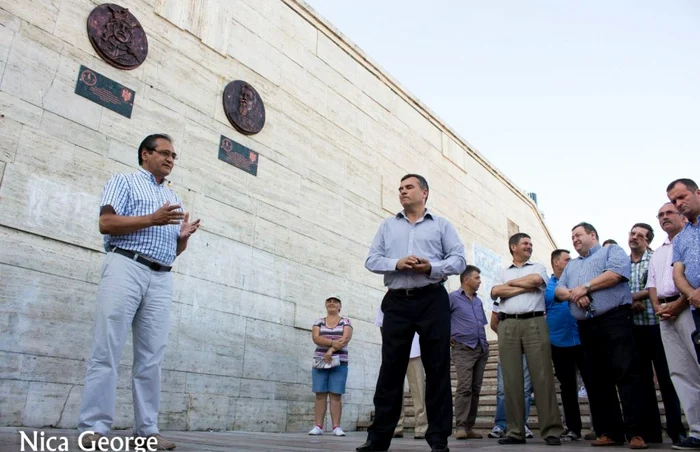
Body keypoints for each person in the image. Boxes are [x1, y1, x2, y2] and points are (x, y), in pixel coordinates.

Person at [77, 134, 200, 451]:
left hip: (161, 276)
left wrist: (182, 238)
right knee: (107, 348)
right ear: (145, 154)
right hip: (125, 267)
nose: (171, 159)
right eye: (165, 153)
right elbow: (106, 223)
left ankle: (147, 431)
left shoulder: (174, 198)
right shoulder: (125, 181)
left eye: (175, 155)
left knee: (152, 357)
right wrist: (152, 218)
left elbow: (172, 252)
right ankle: (94, 427)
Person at [359, 174, 466, 452]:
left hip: (432, 300)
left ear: (424, 192)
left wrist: (431, 267)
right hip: (396, 301)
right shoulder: (387, 225)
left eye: (409, 187)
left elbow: (458, 260)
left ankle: (439, 438)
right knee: (391, 369)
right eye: (400, 189)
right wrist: (398, 262)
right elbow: (371, 260)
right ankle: (378, 438)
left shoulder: (442, 225)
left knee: (437, 368)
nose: (402, 192)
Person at [555, 222, 648, 449]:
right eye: (572, 237)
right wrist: (575, 294)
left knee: (626, 374)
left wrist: (585, 287)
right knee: (597, 379)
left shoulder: (610, 251)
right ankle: (610, 431)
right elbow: (559, 291)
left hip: (615, 320)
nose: (574, 239)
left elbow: (614, 275)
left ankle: (636, 432)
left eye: (578, 235)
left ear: (592, 234)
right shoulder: (572, 266)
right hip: (587, 326)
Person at [490, 233, 563, 446]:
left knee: (542, 377)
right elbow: (495, 291)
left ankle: (551, 430)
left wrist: (510, 285)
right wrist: (522, 286)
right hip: (507, 324)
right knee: (511, 379)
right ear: (513, 247)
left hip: (535, 323)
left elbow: (536, 281)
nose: (529, 246)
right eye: (525, 243)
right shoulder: (500, 270)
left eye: (531, 244)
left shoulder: (538, 267)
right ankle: (514, 431)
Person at [648, 202, 699, 450]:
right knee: (680, 373)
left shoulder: (691, 240)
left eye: (669, 212)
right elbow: (652, 285)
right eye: (660, 215)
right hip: (665, 315)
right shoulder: (657, 253)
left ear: (681, 216)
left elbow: (690, 277)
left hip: (689, 307)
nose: (664, 217)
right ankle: (697, 432)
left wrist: (679, 303)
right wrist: (658, 307)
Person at [629, 222, 685, 444]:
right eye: (632, 233)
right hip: (634, 329)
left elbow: (656, 284)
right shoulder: (622, 263)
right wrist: (629, 301)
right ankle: (651, 432)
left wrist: (633, 297)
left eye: (640, 236)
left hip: (658, 324)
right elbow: (618, 288)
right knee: (642, 382)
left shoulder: (656, 258)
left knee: (667, 379)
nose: (634, 238)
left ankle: (676, 430)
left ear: (648, 240)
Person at [667, 178, 700, 450]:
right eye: (675, 200)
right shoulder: (683, 237)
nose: (679, 204)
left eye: (681, 197)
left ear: (697, 193)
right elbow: (678, 272)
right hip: (696, 307)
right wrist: (692, 293)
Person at [544, 249, 588, 441]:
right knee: (567, 387)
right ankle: (573, 428)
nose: (570, 261)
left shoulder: (578, 280)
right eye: (566, 259)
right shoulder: (547, 286)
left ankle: (602, 428)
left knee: (593, 383)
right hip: (558, 343)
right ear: (556, 263)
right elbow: (548, 303)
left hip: (582, 339)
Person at [375, 309, 428, 440]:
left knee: (419, 391)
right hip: (395, 353)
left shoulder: (417, 301)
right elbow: (382, 327)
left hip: (415, 352)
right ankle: (396, 426)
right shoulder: (386, 304)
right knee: (394, 391)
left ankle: (421, 427)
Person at [450, 265, 488, 440]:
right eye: (477, 277)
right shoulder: (452, 298)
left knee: (475, 388)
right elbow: (441, 319)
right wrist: (448, 337)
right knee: (464, 387)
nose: (480, 280)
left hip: (481, 348)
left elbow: (482, 324)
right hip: (463, 348)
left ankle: (469, 427)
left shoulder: (479, 301)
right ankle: (460, 426)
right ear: (466, 280)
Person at [488, 304, 534, 440]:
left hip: (526, 350)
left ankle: (522, 424)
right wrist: (509, 340)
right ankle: (501, 425)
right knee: (502, 389)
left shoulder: (530, 298)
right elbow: (493, 323)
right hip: (507, 349)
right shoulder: (500, 299)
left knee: (525, 389)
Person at [309, 296, 353, 437]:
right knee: (320, 394)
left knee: (336, 394)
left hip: (340, 361)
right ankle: (318, 426)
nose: (332, 303)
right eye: (329, 301)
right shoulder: (319, 321)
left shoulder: (345, 321)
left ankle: (336, 427)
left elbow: (345, 338)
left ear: (340, 306)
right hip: (320, 362)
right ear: (325, 305)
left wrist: (330, 350)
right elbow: (316, 338)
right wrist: (332, 344)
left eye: (335, 302)